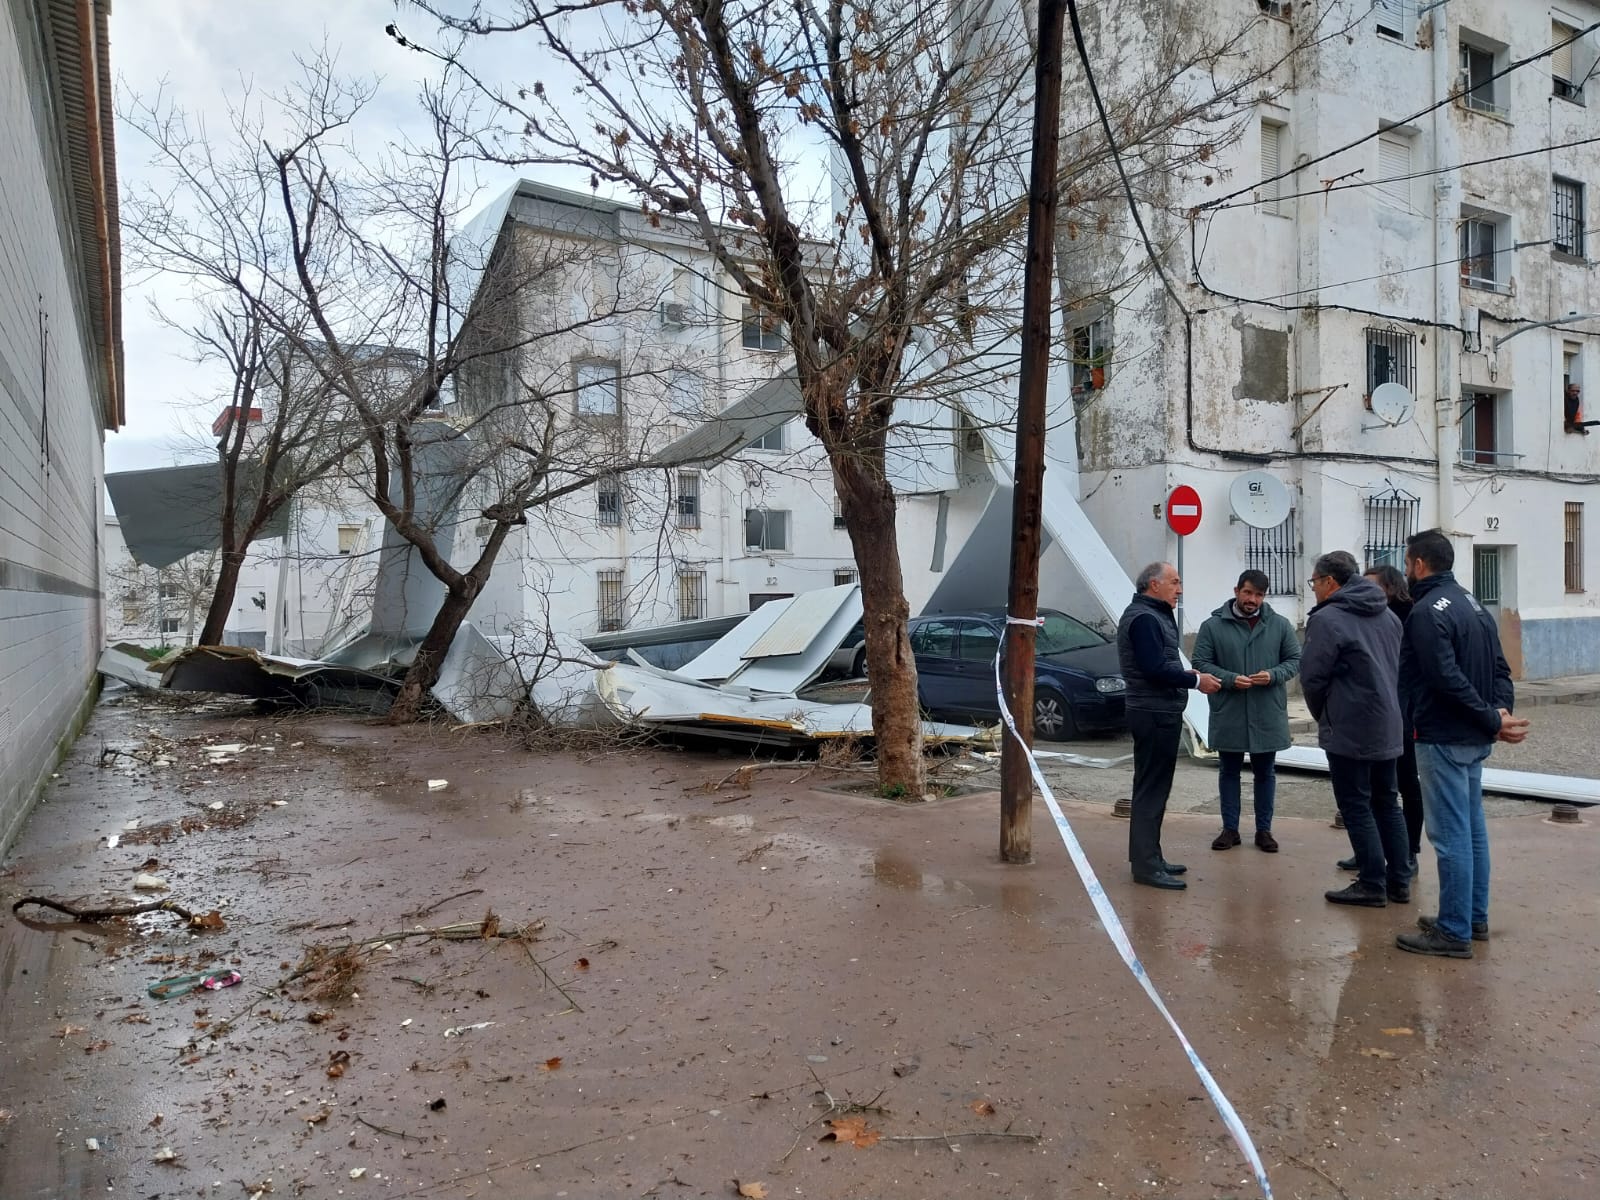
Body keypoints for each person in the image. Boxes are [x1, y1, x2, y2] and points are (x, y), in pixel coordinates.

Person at [1395, 529, 1529, 959]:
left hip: (1442, 736)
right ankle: (1472, 916)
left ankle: (1454, 931)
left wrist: (1492, 717)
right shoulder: (1473, 605)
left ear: (1418, 564)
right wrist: (1498, 713)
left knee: (1451, 835)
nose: (1406, 570)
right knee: (1471, 831)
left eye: (1407, 563)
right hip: (1471, 735)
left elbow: (1443, 677)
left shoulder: (1424, 612)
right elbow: (1499, 670)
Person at [1299, 551, 1411, 907]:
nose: (1314, 589)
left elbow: (1313, 678)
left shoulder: (1328, 619)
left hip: (1351, 725)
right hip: (1388, 722)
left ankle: (1372, 882)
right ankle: (1399, 881)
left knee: (1356, 805)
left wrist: (1325, 715)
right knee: (1387, 802)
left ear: (1330, 582)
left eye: (1314, 582)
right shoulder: (1388, 615)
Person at [1115, 562, 1222, 890]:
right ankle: (1146, 867)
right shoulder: (1145, 618)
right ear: (1153, 584)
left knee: (1154, 788)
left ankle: (1150, 857)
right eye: (1174, 582)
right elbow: (1154, 669)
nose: (1180, 589)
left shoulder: (1153, 614)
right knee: (1151, 789)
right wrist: (1196, 679)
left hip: (1157, 710)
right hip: (1153, 712)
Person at [1192, 569, 1301, 853]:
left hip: (1267, 711)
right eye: (1248, 592)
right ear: (1236, 590)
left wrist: (1273, 674)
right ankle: (1230, 829)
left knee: (1266, 773)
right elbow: (1200, 662)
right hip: (1230, 710)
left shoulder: (1279, 624)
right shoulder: (1212, 626)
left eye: (1259, 595)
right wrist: (1229, 679)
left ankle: (1264, 830)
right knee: (1229, 771)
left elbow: (1294, 660)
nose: (1253, 600)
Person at [1333, 564, 1421, 875]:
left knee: (1404, 785)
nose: (1362, 591)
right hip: (1375, 715)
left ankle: (1408, 852)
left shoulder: (1407, 617)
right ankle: (1370, 852)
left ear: (1389, 587)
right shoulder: (1364, 615)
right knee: (1370, 789)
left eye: (1370, 585)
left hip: (1403, 713)